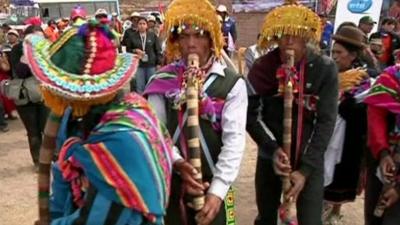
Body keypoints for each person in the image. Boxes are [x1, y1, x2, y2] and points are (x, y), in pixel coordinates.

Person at [24, 19, 173, 224]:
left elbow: (100, 219)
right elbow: (61, 173)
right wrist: (55, 214)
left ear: (77, 95)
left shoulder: (124, 138)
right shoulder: (73, 117)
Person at [144, 0, 247, 224]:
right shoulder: (161, 81)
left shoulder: (232, 83)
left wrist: (218, 191)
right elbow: (156, 134)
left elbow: (235, 140)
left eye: (199, 35)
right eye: (184, 35)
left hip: (214, 183)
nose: (191, 44)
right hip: (174, 181)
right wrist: (179, 164)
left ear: (211, 39)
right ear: (175, 41)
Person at [246, 1, 338, 225]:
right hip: (271, 156)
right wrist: (272, 149)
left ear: (306, 37)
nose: (288, 42)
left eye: (295, 35)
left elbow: (326, 122)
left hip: (310, 160)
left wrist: (305, 170)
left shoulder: (324, 68)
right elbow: (251, 116)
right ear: (275, 37)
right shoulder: (262, 67)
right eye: (283, 35)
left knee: (309, 219)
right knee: (266, 216)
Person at [323, 26, 374, 225]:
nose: (334, 56)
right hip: (327, 131)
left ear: (352, 55)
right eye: (333, 52)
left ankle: (336, 210)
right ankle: (323, 205)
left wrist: (344, 103)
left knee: (343, 172)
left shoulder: (363, 80)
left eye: (339, 53)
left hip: (349, 137)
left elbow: (364, 112)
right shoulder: (327, 74)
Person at [363, 49, 400, 225]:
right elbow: (375, 115)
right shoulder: (391, 77)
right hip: (383, 161)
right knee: (374, 215)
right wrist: (383, 152)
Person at [8, 25, 49, 167]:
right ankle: (38, 161)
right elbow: (20, 72)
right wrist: (28, 54)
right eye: (35, 37)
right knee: (33, 131)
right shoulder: (17, 49)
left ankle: (52, 158)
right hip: (26, 97)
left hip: (44, 95)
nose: (39, 40)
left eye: (41, 37)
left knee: (48, 128)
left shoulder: (46, 50)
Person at [125, 17, 162, 93]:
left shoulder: (152, 36)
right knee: (140, 86)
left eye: (144, 24)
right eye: (140, 24)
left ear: (146, 25)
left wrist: (159, 63)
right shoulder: (132, 37)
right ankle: (141, 103)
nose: (142, 25)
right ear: (137, 25)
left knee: (152, 85)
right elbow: (128, 50)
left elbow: (158, 50)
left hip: (151, 64)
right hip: (139, 65)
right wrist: (135, 50)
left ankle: (151, 103)